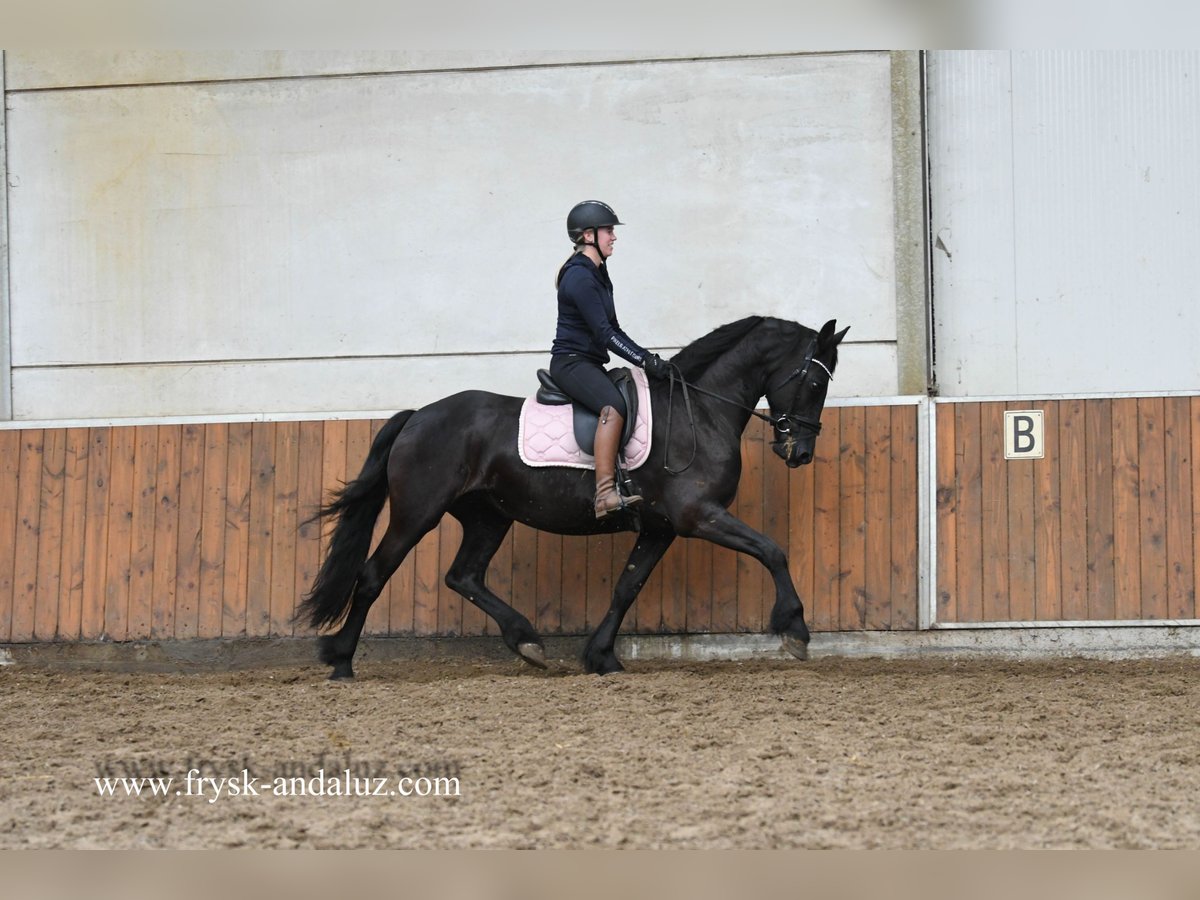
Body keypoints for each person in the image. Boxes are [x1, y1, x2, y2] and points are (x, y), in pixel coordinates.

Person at [551, 200, 671, 519]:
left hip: (589, 363)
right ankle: (604, 494)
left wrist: (647, 359)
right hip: (571, 364)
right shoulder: (579, 276)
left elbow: (613, 328)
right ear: (588, 236)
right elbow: (605, 334)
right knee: (613, 407)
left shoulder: (599, 273)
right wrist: (645, 361)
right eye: (608, 230)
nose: (613, 236)